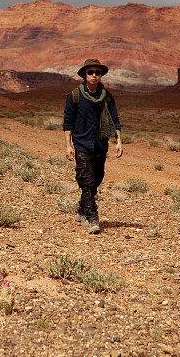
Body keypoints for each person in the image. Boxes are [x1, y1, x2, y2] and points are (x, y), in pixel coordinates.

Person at [63, 58, 123, 234]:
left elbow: (114, 119)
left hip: (100, 144)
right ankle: (92, 218)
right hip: (82, 144)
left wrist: (118, 141)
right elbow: (68, 123)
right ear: (84, 75)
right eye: (91, 72)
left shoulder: (107, 97)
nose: (95, 75)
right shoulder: (75, 96)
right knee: (87, 181)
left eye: (98, 72)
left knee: (96, 179)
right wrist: (68, 146)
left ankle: (82, 209)